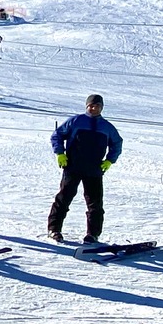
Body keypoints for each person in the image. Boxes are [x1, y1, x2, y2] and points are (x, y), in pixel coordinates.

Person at [47, 94, 122, 245]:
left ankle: (92, 234)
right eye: (91, 106)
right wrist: (60, 153)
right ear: (86, 106)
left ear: (101, 108)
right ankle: (54, 229)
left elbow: (117, 143)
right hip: (73, 166)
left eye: (97, 106)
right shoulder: (76, 121)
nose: (94, 108)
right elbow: (57, 135)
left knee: (95, 203)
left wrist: (109, 161)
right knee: (64, 198)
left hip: (94, 169)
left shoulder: (107, 127)